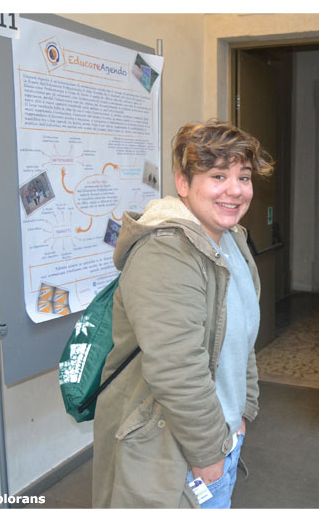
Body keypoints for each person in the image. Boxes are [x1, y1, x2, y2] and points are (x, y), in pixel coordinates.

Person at [92, 120, 273, 508]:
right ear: (183, 183)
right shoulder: (166, 252)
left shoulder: (231, 241)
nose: (235, 189)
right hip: (175, 450)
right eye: (218, 175)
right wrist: (208, 450)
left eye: (243, 176)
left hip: (221, 432)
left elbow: (242, 335)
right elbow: (176, 367)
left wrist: (242, 411)